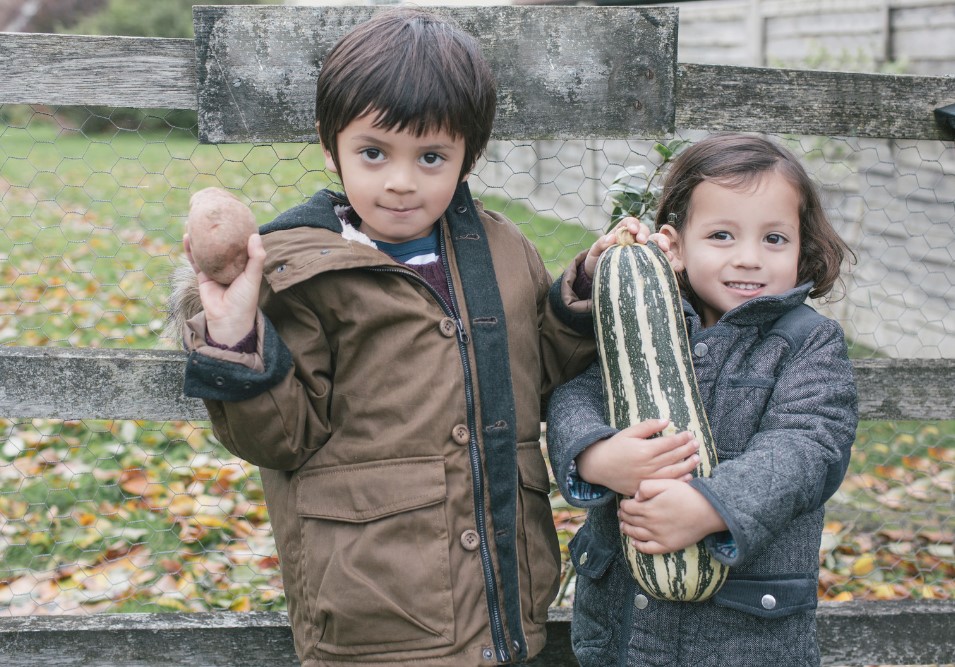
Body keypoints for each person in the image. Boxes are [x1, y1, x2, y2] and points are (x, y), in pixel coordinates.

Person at [169, 7, 662, 666]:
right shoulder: (303, 272)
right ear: (329, 144)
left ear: (468, 156)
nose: (401, 181)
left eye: (431, 156)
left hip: (504, 603)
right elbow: (277, 437)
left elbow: (537, 371)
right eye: (373, 153)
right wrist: (234, 336)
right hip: (373, 610)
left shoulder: (503, 248)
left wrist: (578, 300)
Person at [546, 133, 859, 666]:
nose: (749, 258)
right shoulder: (644, 320)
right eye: (722, 235)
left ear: (803, 246)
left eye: (775, 239)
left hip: (745, 637)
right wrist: (594, 455)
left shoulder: (808, 343)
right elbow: (575, 395)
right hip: (625, 625)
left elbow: (808, 446)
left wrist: (712, 506)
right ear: (673, 245)